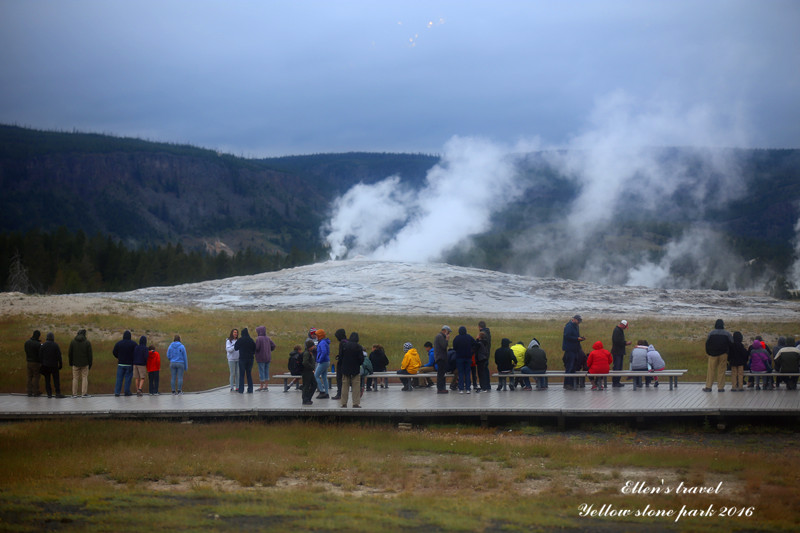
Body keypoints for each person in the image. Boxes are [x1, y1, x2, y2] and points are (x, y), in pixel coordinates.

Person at [704, 319, 732, 392]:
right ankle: (720, 387)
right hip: (723, 354)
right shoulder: (727, 334)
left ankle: (708, 386)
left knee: (711, 370)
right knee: (721, 371)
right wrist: (728, 353)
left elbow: (707, 343)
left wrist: (708, 352)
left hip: (713, 354)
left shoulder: (711, 333)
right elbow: (731, 344)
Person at [339, 332, 365, 408]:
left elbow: (340, 357)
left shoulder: (344, 345)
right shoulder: (359, 347)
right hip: (355, 368)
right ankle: (355, 403)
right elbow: (361, 359)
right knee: (356, 386)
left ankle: (344, 403)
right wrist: (358, 364)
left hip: (345, 368)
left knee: (344, 386)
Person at [562, 314, 585, 390]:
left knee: (573, 367)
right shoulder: (569, 326)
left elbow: (575, 337)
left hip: (575, 349)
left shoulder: (576, 326)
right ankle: (567, 384)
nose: (579, 322)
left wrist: (580, 338)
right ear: (574, 319)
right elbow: (567, 336)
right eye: (578, 320)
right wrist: (577, 339)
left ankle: (572, 383)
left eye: (580, 321)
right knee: (569, 367)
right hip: (570, 349)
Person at [68, 329, 92, 398]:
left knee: (75, 378)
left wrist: (71, 362)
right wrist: (90, 364)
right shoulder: (87, 342)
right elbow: (90, 355)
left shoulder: (73, 342)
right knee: (84, 377)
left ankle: (74, 394)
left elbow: (70, 353)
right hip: (85, 363)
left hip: (75, 363)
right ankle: (84, 393)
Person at [39, 332, 65, 398]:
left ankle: (49, 394)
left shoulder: (43, 345)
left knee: (47, 380)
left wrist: (41, 364)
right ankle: (57, 393)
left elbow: (40, 356)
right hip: (54, 365)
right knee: (56, 380)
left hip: (45, 365)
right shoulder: (55, 345)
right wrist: (60, 364)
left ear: (47, 337)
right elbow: (59, 356)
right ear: (53, 338)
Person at [113, 330, 137, 397]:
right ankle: (127, 392)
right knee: (128, 379)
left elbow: (114, 352)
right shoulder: (133, 344)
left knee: (119, 379)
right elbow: (136, 353)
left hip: (120, 364)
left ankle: (117, 392)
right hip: (129, 364)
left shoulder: (118, 343)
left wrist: (118, 357)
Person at [453, 326, 475, 394]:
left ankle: (461, 389)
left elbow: (454, 347)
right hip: (468, 357)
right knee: (468, 373)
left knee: (461, 373)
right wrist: (472, 352)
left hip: (459, 357)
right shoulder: (469, 337)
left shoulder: (457, 338)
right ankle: (468, 388)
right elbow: (475, 344)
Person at [254, 326, 276, 391]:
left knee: (261, 372)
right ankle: (266, 386)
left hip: (260, 358)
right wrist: (269, 350)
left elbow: (257, 348)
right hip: (268, 357)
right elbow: (274, 345)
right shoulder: (268, 338)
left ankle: (261, 386)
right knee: (267, 371)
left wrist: (255, 351)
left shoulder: (258, 339)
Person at [235, 328, 256, 393]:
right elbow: (255, 348)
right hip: (250, 359)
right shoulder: (251, 340)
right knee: (249, 374)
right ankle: (250, 389)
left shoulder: (240, 340)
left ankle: (241, 390)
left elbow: (235, 348)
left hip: (242, 359)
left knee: (242, 374)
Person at [610, 320, 631, 387]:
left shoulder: (619, 330)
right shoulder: (617, 330)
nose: (625, 328)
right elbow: (616, 341)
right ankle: (615, 382)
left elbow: (619, 340)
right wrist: (625, 343)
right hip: (617, 352)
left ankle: (617, 381)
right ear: (622, 325)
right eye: (625, 326)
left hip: (619, 352)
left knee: (619, 367)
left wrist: (624, 342)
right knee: (617, 367)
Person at [24, 330, 43, 397]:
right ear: (38, 336)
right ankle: (36, 391)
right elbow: (40, 354)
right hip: (36, 362)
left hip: (29, 362)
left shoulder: (27, 342)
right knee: (36, 377)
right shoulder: (38, 344)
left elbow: (26, 351)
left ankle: (29, 391)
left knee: (29, 377)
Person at [433, 325, 451, 394]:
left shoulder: (440, 336)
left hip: (442, 357)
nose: (449, 334)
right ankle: (440, 388)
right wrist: (446, 339)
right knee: (440, 374)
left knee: (442, 373)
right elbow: (444, 346)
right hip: (440, 358)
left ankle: (442, 387)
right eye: (448, 332)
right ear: (445, 331)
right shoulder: (440, 336)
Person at [331, 329, 348, 400]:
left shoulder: (342, 343)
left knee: (339, 379)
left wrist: (339, 358)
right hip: (347, 363)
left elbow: (341, 354)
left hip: (341, 364)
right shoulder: (348, 341)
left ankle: (339, 394)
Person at [314, 329, 331, 399]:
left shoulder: (322, 343)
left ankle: (322, 391)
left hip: (323, 362)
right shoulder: (324, 342)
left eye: (316, 335)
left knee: (316, 375)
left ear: (319, 336)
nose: (315, 337)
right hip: (326, 361)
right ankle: (326, 393)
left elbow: (323, 352)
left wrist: (319, 360)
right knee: (324, 377)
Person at [301, 340, 317, 405]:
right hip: (306, 372)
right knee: (306, 386)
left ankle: (308, 398)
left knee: (314, 384)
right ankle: (305, 400)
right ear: (310, 346)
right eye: (313, 346)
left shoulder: (309, 352)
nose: (314, 347)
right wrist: (311, 367)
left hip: (310, 372)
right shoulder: (306, 353)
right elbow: (305, 362)